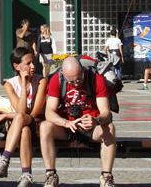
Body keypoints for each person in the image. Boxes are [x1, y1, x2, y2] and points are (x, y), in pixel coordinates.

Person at [39, 55, 119, 187]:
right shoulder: (57, 80)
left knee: (109, 128)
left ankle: (106, 177)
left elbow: (106, 113)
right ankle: (51, 175)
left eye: (79, 79)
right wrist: (65, 122)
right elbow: (49, 112)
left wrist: (96, 120)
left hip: (92, 127)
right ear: (64, 75)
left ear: (82, 70)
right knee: (45, 127)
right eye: (71, 82)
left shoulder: (96, 79)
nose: (76, 84)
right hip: (68, 126)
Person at [0, 47, 46, 182]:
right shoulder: (10, 84)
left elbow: (33, 113)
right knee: (24, 130)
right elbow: (21, 111)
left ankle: (4, 159)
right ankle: (26, 175)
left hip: (37, 124)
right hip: (21, 126)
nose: (33, 66)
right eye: (28, 63)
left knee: (21, 118)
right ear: (17, 66)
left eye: (33, 62)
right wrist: (25, 84)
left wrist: (6, 115)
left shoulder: (41, 81)